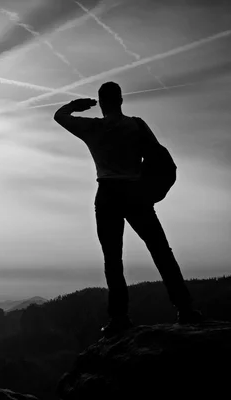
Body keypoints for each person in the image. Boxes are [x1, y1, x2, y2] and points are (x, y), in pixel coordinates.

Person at [53, 81, 203, 338]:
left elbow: (59, 116)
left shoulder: (92, 127)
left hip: (107, 194)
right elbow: (157, 156)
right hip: (136, 193)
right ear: (121, 100)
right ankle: (185, 309)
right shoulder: (136, 125)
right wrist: (152, 190)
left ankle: (120, 319)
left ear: (101, 103)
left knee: (113, 259)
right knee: (160, 251)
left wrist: (74, 106)